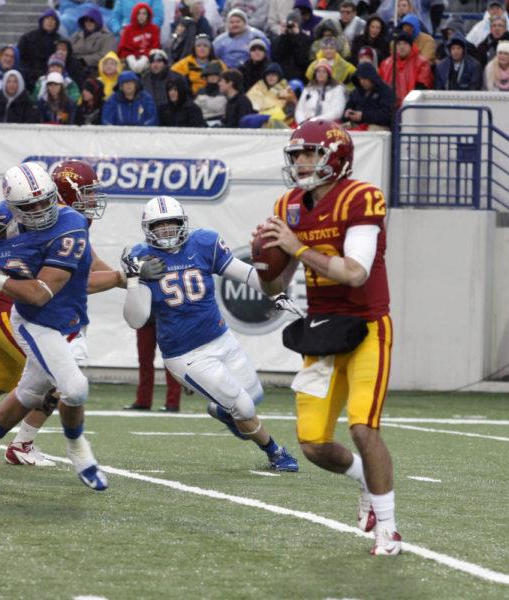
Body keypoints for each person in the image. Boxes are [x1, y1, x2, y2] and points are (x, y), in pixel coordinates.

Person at [258, 119, 400, 556]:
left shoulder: (361, 197)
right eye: (296, 154)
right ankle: (365, 481)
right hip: (322, 332)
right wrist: (268, 261)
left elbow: (355, 273)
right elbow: (274, 288)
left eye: (310, 153)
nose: (301, 162)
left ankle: (388, 528)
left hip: (367, 327)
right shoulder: (289, 205)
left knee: (362, 427)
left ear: (335, 157)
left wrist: (297, 247)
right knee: (313, 444)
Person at [0, 163, 107, 490]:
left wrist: (130, 276)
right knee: (70, 386)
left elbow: (56, 286)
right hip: (26, 315)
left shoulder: (70, 224)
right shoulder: (5, 219)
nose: (40, 211)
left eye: (45, 202)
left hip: (61, 314)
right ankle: (68, 449)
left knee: (25, 390)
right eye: (30, 207)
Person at [121, 195, 299, 471]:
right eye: (160, 226)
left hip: (220, 337)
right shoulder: (141, 257)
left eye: (172, 224)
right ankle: (276, 453)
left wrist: (275, 292)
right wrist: (134, 278)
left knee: (253, 396)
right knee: (244, 408)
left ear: (183, 223)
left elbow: (246, 274)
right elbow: (137, 319)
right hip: (185, 354)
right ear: (148, 229)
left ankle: (220, 410)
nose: (167, 231)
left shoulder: (203, 243)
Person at [379, 30, 432, 106]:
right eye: (399, 44)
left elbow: (421, 88)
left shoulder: (422, 63)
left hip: (412, 107)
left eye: (405, 43)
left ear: (411, 45)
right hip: (389, 107)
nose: (402, 47)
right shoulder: (386, 64)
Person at [343, 61, 393, 130]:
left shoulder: (385, 91)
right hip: (357, 125)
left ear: (372, 77)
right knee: (340, 129)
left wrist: (363, 116)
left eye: (365, 78)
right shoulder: (355, 92)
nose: (362, 82)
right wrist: (348, 114)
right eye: (360, 79)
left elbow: (386, 115)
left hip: (379, 126)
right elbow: (347, 110)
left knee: (371, 130)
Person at [18, 9, 62, 85]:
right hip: (29, 75)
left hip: (52, 76)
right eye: (47, 18)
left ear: (56, 23)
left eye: (53, 19)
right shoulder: (28, 38)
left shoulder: (60, 41)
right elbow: (21, 58)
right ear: (42, 21)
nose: (50, 22)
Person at [71, 5, 117, 77]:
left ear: (97, 21)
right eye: (86, 20)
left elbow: (106, 55)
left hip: (95, 70)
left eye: (91, 20)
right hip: (73, 65)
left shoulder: (107, 37)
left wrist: (83, 60)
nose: (88, 23)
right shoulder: (77, 34)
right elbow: (67, 46)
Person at [117, 2, 161, 73]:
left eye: (144, 13)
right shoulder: (128, 29)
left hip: (148, 59)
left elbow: (156, 46)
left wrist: (145, 57)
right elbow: (123, 48)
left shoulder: (154, 29)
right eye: (139, 13)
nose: (141, 16)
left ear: (148, 15)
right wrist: (130, 58)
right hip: (131, 59)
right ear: (135, 15)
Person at [273, 10, 311, 82]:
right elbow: (276, 57)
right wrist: (283, 36)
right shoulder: (281, 38)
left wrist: (296, 37)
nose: (291, 26)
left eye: (294, 23)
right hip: (282, 76)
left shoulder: (306, 39)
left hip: (299, 77)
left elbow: (302, 60)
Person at [194, 60, 226, 125]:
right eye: (210, 75)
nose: (213, 77)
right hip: (202, 124)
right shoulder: (200, 91)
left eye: (215, 75)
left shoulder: (224, 91)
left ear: (219, 77)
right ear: (206, 77)